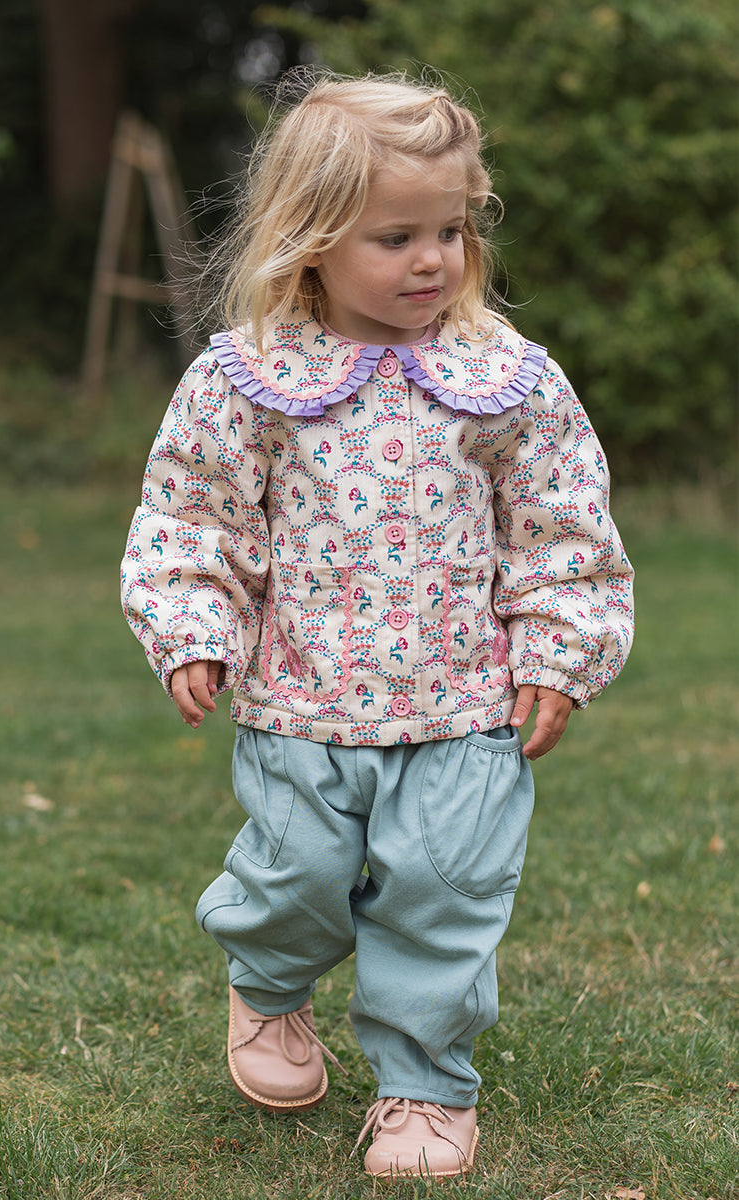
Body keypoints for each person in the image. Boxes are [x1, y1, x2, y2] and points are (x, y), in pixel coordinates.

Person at [121, 70, 634, 1180]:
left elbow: (560, 526)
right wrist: (194, 624)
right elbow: (193, 514)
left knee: (445, 899)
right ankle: (268, 985)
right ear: (311, 240)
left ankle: (426, 1088)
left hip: (463, 714)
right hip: (302, 708)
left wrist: (560, 650)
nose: (432, 259)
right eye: (396, 237)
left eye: (450, 230)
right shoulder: (251, 380)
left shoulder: (505, 381)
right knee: (294, 879)